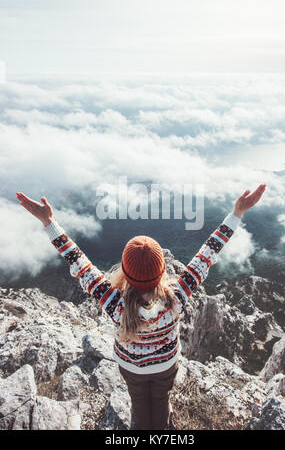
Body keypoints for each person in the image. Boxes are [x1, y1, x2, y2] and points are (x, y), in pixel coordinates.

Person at [16, 184, 266, 430]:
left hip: (131, 368)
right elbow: (208, 254)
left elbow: (79, 264)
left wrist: (49, 222)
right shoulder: (176, 297)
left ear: (125, 272)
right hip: (166, 365)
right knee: (161, 399)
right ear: (162, 272)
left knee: (138, 402)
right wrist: (236, 214)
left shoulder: (115, 304)